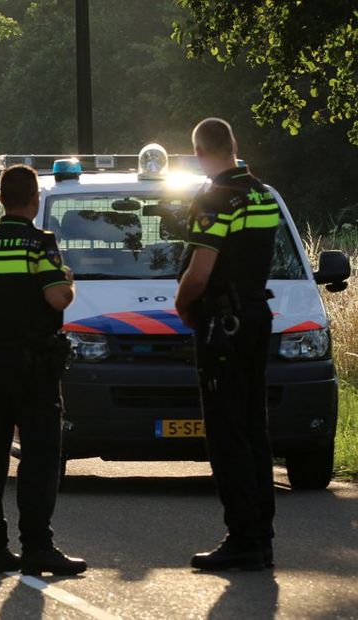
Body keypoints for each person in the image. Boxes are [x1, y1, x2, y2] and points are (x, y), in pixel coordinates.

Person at [0, 164, 85, 576]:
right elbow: (58, 298)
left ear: (3, 199)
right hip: (35, 368)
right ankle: (37, 547)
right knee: (39, 456)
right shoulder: (40, 244)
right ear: (34, 200)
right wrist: (67, 278)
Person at [175, 118, 278, 571]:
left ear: (199, 152)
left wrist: (182, 304)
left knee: (226, 431)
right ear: (233, 145)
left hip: (223, 324)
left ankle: (242, 538)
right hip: (257, 316)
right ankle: (262, 533)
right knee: (255, 425)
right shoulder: (263, 194)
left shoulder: (217, 198)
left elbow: (200, 272)